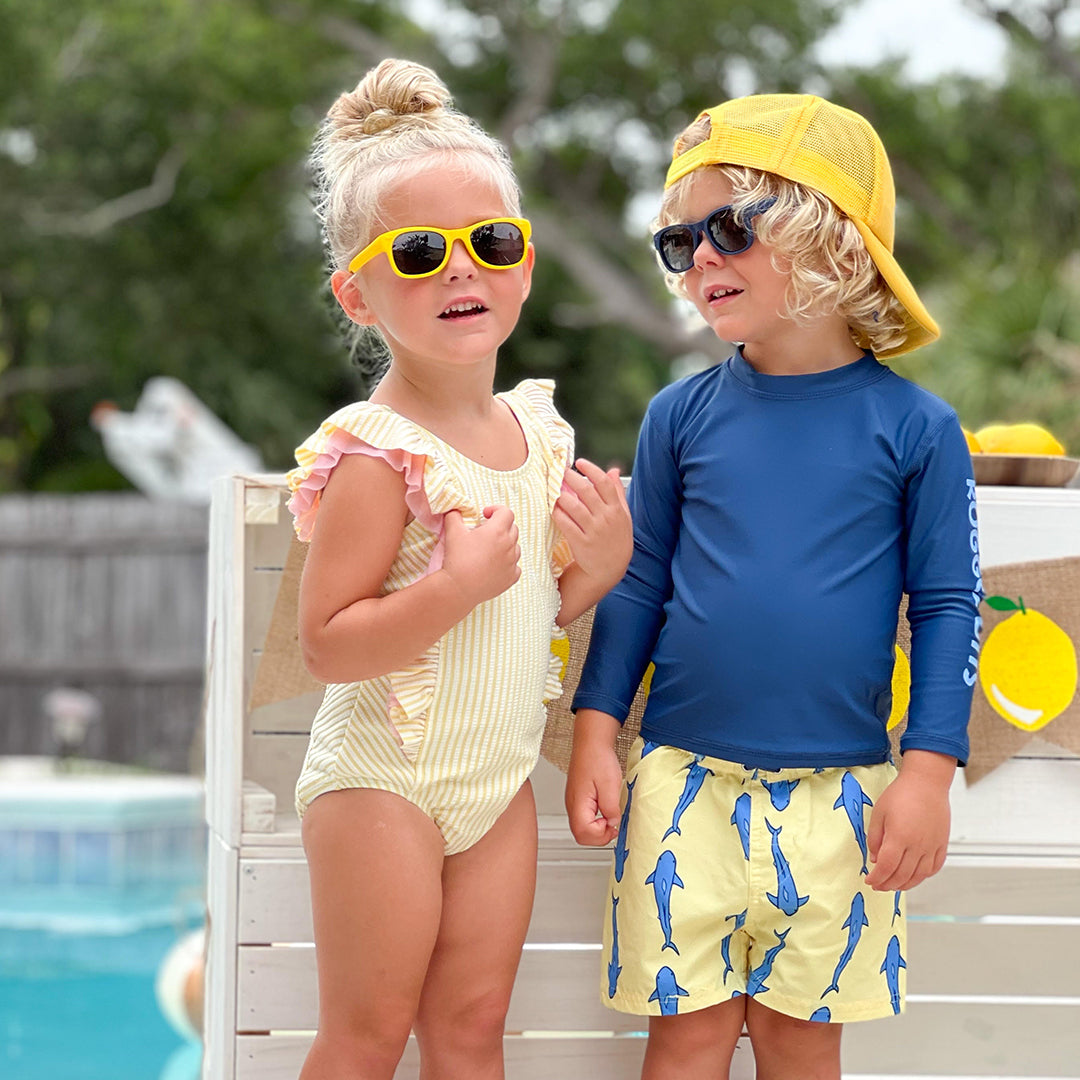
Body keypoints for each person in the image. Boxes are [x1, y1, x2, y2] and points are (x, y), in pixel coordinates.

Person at [565, 93, 982, 1080]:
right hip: (681, 787)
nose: (702, 258)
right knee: (687, 1044)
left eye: (729, 229)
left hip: (845, 796)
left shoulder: (918, 430)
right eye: (679, 243)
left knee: (801, 1049)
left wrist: (928, 772)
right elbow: (636, 585)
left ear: (829, 241)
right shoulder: (677, 417)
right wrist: (593, 728)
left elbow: (949, 606)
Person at [285, 59, 633, 1080]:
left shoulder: (536, 433)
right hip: (382, 777)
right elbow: (324, 647)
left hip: (497, 781)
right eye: (420, 251)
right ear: (358, 292)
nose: (459, 271)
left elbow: (526, 616)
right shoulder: (376, 451)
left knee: (474, 1030)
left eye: (490, 243)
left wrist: (598, 571)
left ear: (524, 267)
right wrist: (448, 588)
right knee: (368, 1035)